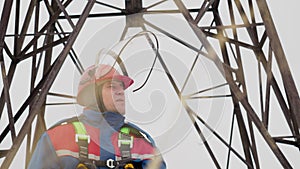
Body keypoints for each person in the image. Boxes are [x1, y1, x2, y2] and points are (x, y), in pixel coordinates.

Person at [28, 64, 166, 169]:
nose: (120, 92)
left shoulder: (141, 142)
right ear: (92, 95)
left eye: (121, 87)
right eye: (111, 87)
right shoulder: (58, 138)